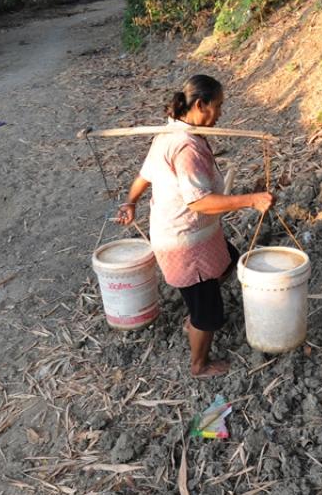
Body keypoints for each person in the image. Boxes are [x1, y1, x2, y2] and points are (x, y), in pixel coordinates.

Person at [117, 74, 274, 378]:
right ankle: (199, 363)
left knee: (229, 260)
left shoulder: (172, 133)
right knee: (209, 314)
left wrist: (130, 202)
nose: (221, 113)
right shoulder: (185, 147)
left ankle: (198, 309)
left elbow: (145, 175)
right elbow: (199, 202)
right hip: (185, 243)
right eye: (219, 105)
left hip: (196, 234)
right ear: (200, 105)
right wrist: (251, 200)